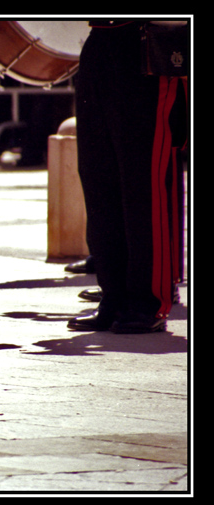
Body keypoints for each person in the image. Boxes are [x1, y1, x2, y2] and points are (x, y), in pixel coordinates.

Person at [68, 19, 188, 334]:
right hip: (100, 40)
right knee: (98, 179)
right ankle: (114, 298)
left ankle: (148, 302)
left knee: (143, 182)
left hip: (144, 43)